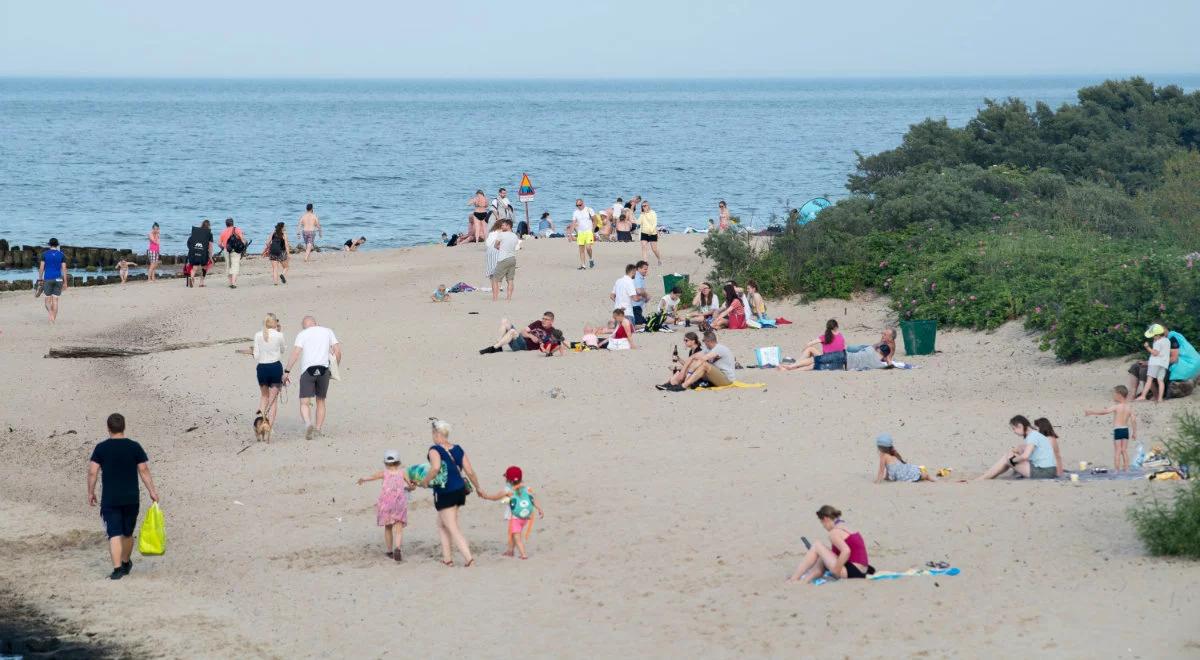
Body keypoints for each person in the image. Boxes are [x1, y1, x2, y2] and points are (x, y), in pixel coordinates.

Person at [87, 413, 160, 580]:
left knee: (114, 534)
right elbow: (144, 470)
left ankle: (117, 569)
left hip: (110, 498)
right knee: (127, 533)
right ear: (123, 427)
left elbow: (92, 472)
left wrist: (91, 492)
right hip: (131, 497)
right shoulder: (134, 447)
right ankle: (126, 562)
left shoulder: (101, 448)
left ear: (108, 428)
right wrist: (152, 491)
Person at [415, 419, 482, 567]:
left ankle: (469, 559)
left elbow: (435, 468)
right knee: (441, 524)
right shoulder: (458, 449)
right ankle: (447, 559)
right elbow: (470, 471)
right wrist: (478, 488)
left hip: (446, 492)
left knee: (452, 526)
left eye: (433, 433)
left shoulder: (434, 449)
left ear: (437, 433)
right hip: (460, 490)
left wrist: (424, 482)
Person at [283, 316, 342, 440]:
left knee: (304, 402)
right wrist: (335, 367)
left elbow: (295, 353)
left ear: (304, 326)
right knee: (320, 401)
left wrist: (287, 371)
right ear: (316, 323)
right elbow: (337, 351)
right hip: (324, 370)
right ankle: (318, 429)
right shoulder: (327, 331)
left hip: (308, 371)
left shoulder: (302, 334)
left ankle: (308, 424)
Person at [787, 505, 875, 584]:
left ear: (826, 519)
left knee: (817, 545)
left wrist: (836, 571)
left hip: (853, 571)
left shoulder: (834, 533)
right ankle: (804, 581)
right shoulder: (844, 526)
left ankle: (793, 579)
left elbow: (846, 551)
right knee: (822, 555)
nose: (823, 526)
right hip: (863, 570)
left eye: (822, 523)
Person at [357, 449, 414, 561]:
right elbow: (411, 486)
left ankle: (389, 551)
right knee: (398, 527)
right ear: (398, 462)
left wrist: (362, 479)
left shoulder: (384, 473)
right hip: (399, 503)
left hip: (386, 504)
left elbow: (371, 477)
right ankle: (397, 548)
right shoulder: (403, 472)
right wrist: (411, 486)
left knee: (388, 527)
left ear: (385, 462)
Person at [477, 465, 545, 559]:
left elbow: (494, 498)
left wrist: (485, 496)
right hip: (525, 516)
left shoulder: (507, 490)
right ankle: (510, 551)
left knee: (517, 536)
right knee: (512, 532)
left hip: (515, 518)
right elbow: (533, 499)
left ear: (508, 480)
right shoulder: (527, 488)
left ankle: (523, 554)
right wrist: (539, 509)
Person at [976, 415, 1059, 480]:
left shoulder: (1032, 436)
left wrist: (1011, 460)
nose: (1014, 432)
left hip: (1044, 472)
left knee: (1008, 457)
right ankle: (988, 476)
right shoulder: (1034, 434)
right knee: (1010, 456)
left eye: (1014, 429)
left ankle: (984, 477)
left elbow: (1025, 456)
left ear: (1020, 426)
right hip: (1048, 470)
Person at [245, 312, 286, 431]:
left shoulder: (258, 335)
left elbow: (256, 356)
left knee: (264, 396)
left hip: (262, 368)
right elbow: (283, 350)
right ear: (275, 323)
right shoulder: (279, 335)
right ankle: (269, 427)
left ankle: (261, 423)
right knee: (273, 400)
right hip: (275, 367)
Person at [1085, 386, 1138, 472]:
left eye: (1114, 394)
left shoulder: (1117, 407)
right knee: (1124, 450)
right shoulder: (1129, 407)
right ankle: (1126, 468)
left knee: (1117, 450)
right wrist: (1134, 432)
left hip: (1118, 430)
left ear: (1119, 395)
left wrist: (1092, 412)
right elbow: (1133, 420)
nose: (1113, 396)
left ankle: (1117, 469)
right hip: (1125, 430)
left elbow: (1104, 412)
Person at [659, 331, 733, 390]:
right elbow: (692, 357)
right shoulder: (707, 349)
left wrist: (689, 372)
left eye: (704, 340)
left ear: (709, 341)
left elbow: (702, 360)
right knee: (693, 363)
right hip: (714, 376)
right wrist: (683, 370)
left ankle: (683, 386)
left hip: (726, 379)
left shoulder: (719, 348)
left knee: (703, 364)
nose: (703, 342)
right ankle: (672, 383)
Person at [779, 319, 845, 372]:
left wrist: (804, 349)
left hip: (826, 357)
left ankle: (795, 365)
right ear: (836, 327)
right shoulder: (841, 336)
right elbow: (843, 348)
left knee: (810, 349)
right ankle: (794, 366)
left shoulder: (825, 336)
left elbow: (809, 344)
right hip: (838, 359)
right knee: (813, 362)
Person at [480, 312, 557, 354]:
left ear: (552, 321)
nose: (543, 320)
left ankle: (493, 348)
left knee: (512, 331)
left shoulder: (552, 331)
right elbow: (523, 332)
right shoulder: (538, 322)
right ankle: (498, 347)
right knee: (505, 321)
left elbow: (557, 343)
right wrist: (531, 336)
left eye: (546, 319)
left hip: (524, 347)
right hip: (520, 339)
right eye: (543, 318)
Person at [37, 238, 68, 323]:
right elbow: (64, 269)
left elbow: (41, 268)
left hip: (48, 279)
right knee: (55, 300)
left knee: (47, 300)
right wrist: (65, 282)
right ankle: (53, 319)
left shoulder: (45, 254)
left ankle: (50, 313)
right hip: (58, 279)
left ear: (49, 244)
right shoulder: (61, 255)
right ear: (57, 245)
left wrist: (40, 279)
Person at [490, 219, 520, 302]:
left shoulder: (501, 234)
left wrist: (500, 248)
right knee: (510, 280)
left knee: (495, 279)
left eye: (503, 225)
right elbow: (514, 246)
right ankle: (509, 298)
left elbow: (496, 245)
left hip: (503, 259)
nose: (501, 226)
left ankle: (495, 298)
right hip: (512, 258)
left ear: (508, 226)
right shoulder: (515, 236)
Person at [1139, 324, 1171, 402]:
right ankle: (1160, 398)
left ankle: (1143, 396)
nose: (1153, 337)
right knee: (1160, 381)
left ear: (1158, 335)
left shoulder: (1158, 342)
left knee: (1149, 379)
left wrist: (1147, 347)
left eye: (1154, 336)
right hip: (1163, 364)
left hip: (1155, 363)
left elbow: (1155, 353)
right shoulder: (1167, 340)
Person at [218, 218, 247, 289]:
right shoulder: (237, 229)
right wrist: (243, 246)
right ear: (233, 223)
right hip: (236, 250)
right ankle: (233, 283)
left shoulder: (223, 231)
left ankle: (230, 282)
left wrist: (223, 248)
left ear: (226, 224)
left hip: (226, 250)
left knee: (228, 266)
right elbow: (243, 239)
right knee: (235, 265)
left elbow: (219, 243)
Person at [186, 220, 214, 288]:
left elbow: (189, 242)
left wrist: (192, 250)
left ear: (202, 224)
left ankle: (192, 278)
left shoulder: (196, 232)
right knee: (204, 268)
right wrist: (210, 256)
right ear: (209, 226)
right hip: (203, 253)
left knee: (194, 267)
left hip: (195, 252)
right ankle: (201, 283)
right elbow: (210, 246)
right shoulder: (209, 234)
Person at [571, 199, 596, 269]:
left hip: (588, 232)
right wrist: (570, 234)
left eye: (580, 205)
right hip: (580, 233)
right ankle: (583, 265)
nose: (579, 206)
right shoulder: (575, 212)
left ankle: (591, 259)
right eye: (577, 205)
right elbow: (573, 223)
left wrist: (593, 230)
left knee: (588, 248)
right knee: (581, 250)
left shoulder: (589, 210)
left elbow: (595, 220)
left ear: (583, 203)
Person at [638, 200, 661, 265]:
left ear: (648, 206)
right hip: (644, 233)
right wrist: (642, 214)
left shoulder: (653, 213)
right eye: (642, 206)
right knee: (644, 247)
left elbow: (655, 223)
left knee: (654, 249)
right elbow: (639, 222)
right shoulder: (642, 214)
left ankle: (659, 259)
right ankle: (645, 262)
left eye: (645, 206)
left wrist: (651, 230)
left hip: (652, 233)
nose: (643, 207)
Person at [631, 261, 650, 326]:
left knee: (643, 321)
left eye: (647, 269)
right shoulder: (637, 277)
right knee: (640, 323)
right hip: (634, 306)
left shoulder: (638, 277)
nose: (646, 271)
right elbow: (638, 291)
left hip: (636, 306)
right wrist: (646, 295)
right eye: (645, 269)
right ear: (639, 269)